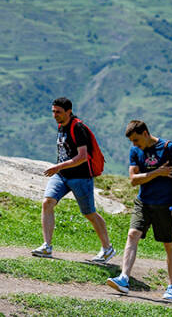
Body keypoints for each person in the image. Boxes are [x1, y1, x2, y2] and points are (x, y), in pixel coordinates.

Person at [106, 120, 172, 301]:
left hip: (165, 204)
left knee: (168, 245)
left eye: (136, 140)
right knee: (132, 235)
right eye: (131, 142)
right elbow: (133, 179)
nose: (134, 145)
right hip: (143, 202)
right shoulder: (135, 151)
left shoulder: (168, 148)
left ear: (145, 133)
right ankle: (124, 279)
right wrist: (156, 173)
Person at [31, 97, 116, 263]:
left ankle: (107, 249)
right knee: (47, 202)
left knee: (89, 213)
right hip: (63, 176)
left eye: (58, 112)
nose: (55, 115)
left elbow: (83, 157)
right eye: (53, 111)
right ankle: (47, 246)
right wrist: (60, 169)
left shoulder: (77, 127)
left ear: (68, 112)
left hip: (80, 178)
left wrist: (57, 166)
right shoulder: (61, 126)